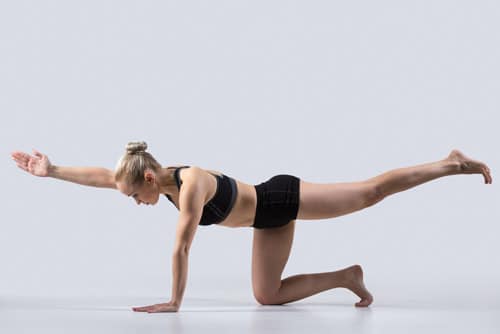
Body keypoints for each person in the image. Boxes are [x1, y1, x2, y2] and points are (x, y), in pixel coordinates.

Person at [10, 142, 493, 313]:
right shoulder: (154, 178)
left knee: (369, 192)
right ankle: (349, 278)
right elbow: (104, 177)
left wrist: (175, 302)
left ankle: (449, 164)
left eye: (136, 196)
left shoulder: (191, 186)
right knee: (268, 296)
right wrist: (51, 171)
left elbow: (181, 248)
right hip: (268, 220)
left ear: (150, 179)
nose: (137, 203)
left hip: (280, 197)